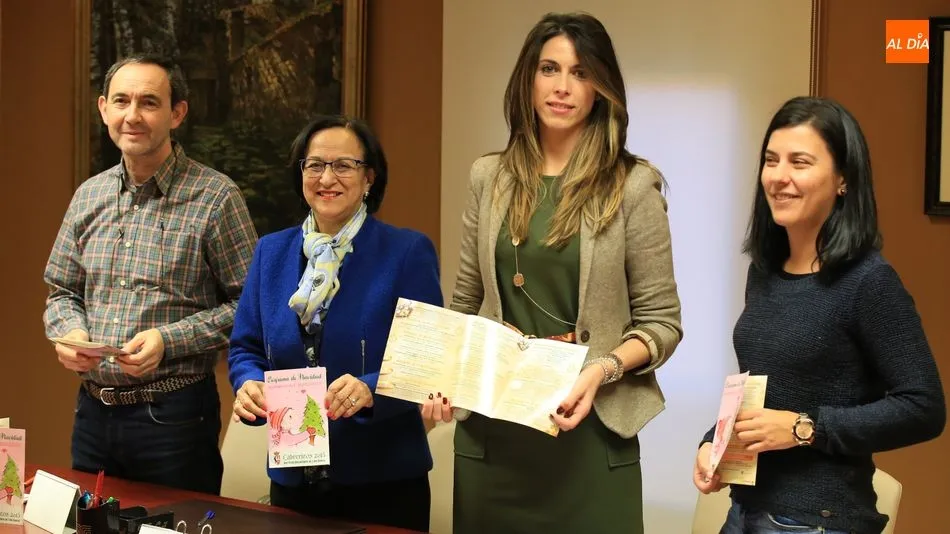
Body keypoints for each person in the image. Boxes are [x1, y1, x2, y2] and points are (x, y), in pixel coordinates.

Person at [421, 12, 683, 534]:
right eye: (549, 69)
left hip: (589, 434)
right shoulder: (487, 176)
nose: (563, 87)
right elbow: (466, 303)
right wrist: (443, 378)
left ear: (601, 89)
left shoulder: (633, 186)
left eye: (581, 73)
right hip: (493, 442)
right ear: (528, 79)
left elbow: (661, 325)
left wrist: (599, 371)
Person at [692, 96, 946, 534]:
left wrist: (805, 429)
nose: (779, 177)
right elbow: (764, 392)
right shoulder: (765, 273)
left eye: (800, 162)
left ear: (843, 180)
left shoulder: (869, 281)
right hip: (745, 511)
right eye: (771, 160)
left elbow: (924, 408)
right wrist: (712, 444)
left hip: (819, 522)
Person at [43, 54, 259, 494]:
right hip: (92, 413)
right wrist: (71, 334)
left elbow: (250, 307)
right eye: (121, 101)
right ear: (104, 108)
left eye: (149, 102)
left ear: (176, 113)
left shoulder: (215, 197)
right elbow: (61, 292)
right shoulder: (89, 196)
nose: (133, 115)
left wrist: (169, 340)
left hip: (174, 416)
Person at [228, 115, 442, 532]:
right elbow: (245, 347)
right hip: (294, 477)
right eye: (315, 165)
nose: (327, 177)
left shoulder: (406, 251)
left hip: (384, 481)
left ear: (369, 178)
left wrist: (369, 387)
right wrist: (249, 383)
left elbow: (427, 359)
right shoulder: (271, 252)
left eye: (344, 165)